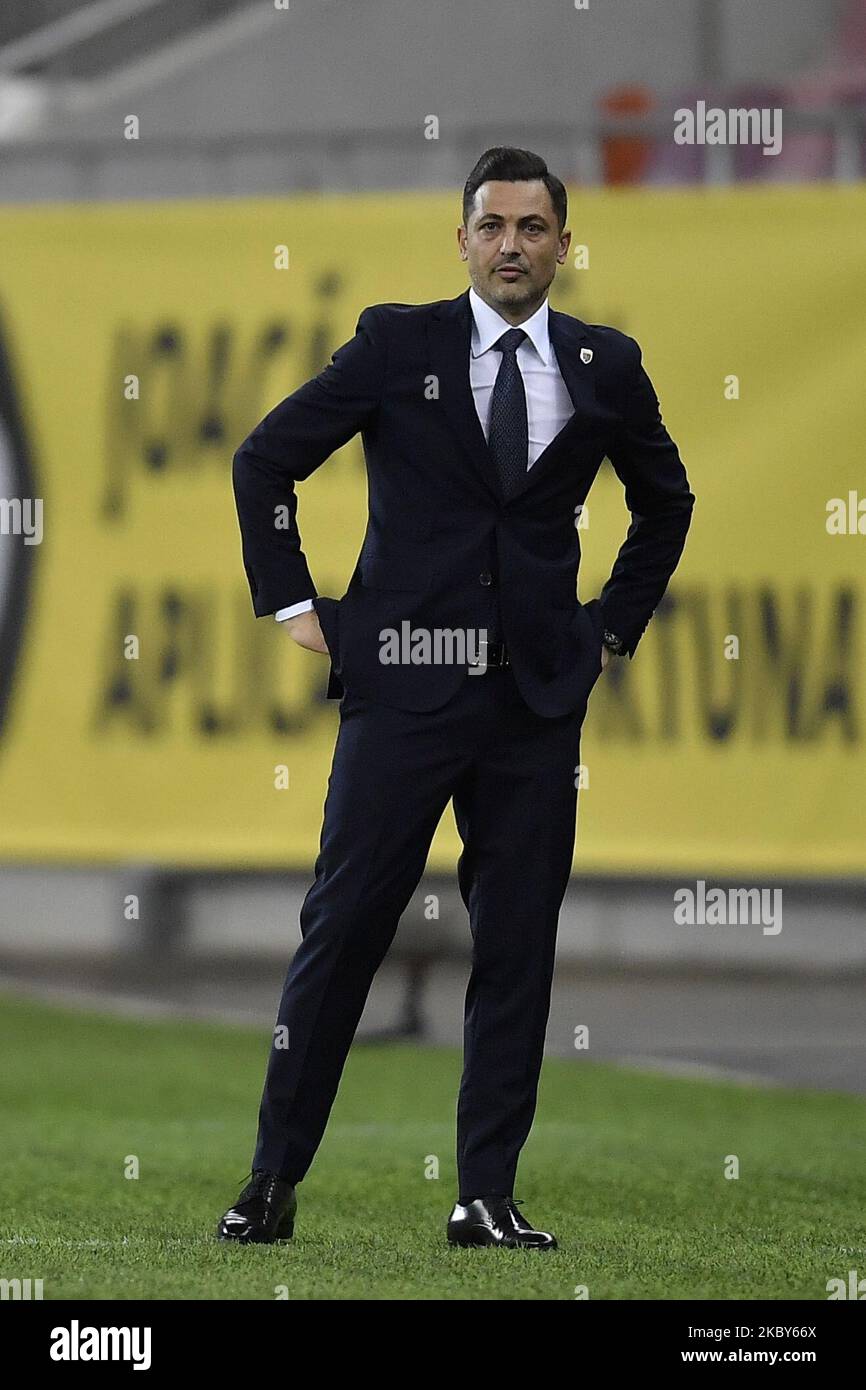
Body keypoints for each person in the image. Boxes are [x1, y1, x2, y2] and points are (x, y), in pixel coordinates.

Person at [219, 146, 694, 1249]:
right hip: (401, 694)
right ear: (463, 238)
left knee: (516, 946)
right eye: (492, 226)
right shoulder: (399, 343)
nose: (512, 246)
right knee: (342, 930)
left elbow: (664, 504)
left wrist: (608, 629)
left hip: (532, 704)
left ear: (563, 246)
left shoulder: (602, 364)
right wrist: (292, 603)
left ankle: (483, 1194)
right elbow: (263, 460)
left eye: (533, 228)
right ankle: (270, 1180)